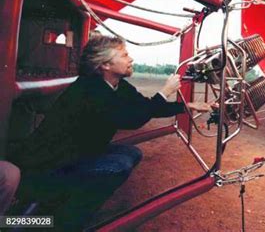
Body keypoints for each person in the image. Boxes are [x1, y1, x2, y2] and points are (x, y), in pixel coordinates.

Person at [8, 35, 211, 230]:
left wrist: (187, 107)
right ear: (105, 65)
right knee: (117, 166)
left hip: (73, 156)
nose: (130, 58)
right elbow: (132, 119)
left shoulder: (116, 86)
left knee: (130, 153)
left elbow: (145, 106)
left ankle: (65, 203)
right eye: (123, 55)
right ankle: (63, 223)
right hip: (46, 168)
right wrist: (164, 91)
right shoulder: (90, 90)